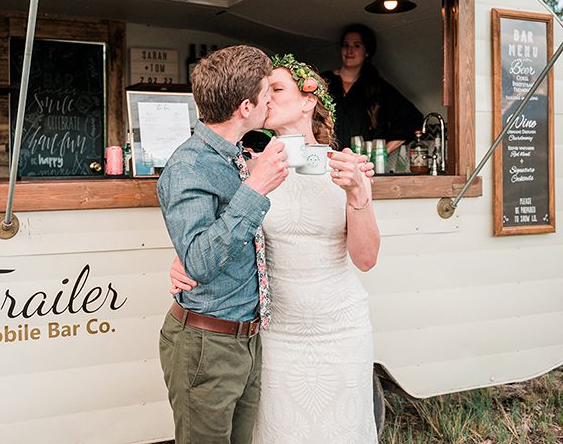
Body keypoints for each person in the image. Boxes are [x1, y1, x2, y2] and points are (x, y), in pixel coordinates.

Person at [171, 54, 381, 443]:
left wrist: (357, 193)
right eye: (264, 91)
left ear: (309, 100)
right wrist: (182, 258)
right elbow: (218, 234)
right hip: (275, 332)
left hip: (340, 328)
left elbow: (366, 259)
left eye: (276, 89)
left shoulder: (347, 166)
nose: (266, 98)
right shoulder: (248, 168)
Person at [155, 45, 289, 443]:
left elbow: (203, 247)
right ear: (245, 107)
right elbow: (199, 260)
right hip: (206, 345)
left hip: (245, 338)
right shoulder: (188, 166)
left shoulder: (234, 156)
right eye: (267, 93)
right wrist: (256, 188)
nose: (271, 100)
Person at [322, 24, 423, 152]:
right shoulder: (323, 81)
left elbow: (412, 119)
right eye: (345, 45)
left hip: (362, 166)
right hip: (328, 162)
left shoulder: (377, 87)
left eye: (356, 45)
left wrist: (381, 153)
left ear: (367, 52)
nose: (349, 50)